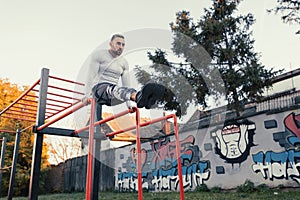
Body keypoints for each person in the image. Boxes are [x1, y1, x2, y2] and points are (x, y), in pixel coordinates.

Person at [85, 33, 165, 122]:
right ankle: (138, 96)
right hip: (98, 90)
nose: (121, 47)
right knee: (112, 89)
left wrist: (129, 104)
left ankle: (144, 99)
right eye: (118, 43)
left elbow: (126, 85)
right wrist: (86, 95)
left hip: (113, 95)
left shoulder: (123, 62)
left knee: (119, 90)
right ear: (110, 44)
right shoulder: (99, 55)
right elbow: (90, 77)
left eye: (123, 45)